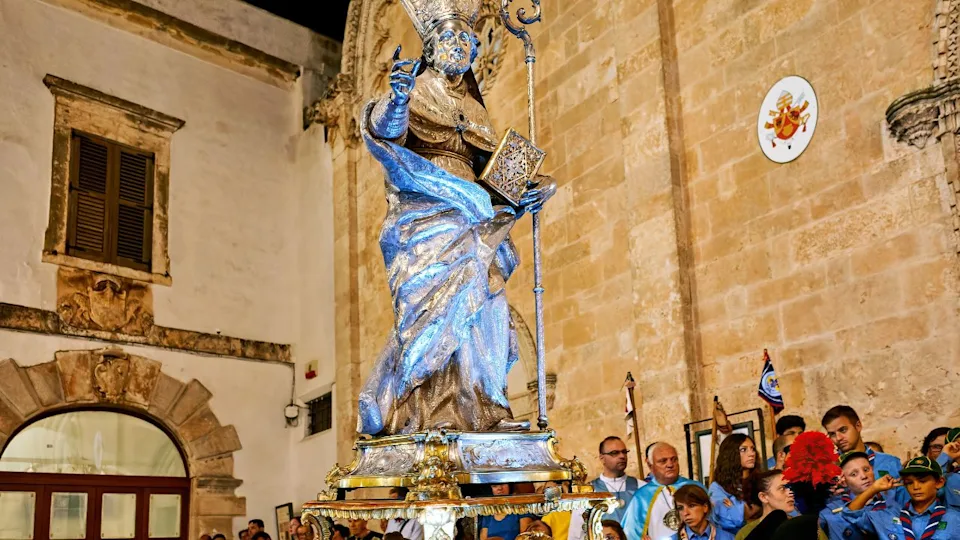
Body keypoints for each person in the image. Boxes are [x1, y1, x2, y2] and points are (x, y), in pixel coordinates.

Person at [355, 0, 555, 437]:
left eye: (467, 39)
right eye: (451, 37)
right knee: (431, 314)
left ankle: (483, 408)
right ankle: (424, 414)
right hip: (426, 221)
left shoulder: (476, 109)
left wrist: (533, 188)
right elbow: (384, 130)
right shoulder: (415, 90)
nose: (462, 45)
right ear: (431, 45)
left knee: (486, 308)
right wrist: (398, 100)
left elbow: (493, 177)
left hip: (478, 221)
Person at [843, 456, 960, 539]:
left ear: (939, 482)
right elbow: (851, 512)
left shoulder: (954, 519)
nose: (916, 487)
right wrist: (873, 489)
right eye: (909, 482)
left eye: (922, 481)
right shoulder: (888, 516)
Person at [621, 442, 703, 539]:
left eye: (674, 459)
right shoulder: (642, 496)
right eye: (663, 461)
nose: (670, 464)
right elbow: (631, 534)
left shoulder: (695, 488)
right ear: (650, 465)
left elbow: (713, 524)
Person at [818, 451, 907, 540]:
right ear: (844, 482)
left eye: (866, 469)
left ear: (872, 470)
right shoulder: (830, 513)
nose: (864, 476)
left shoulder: (892, 506)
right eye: (854, 474)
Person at [821, 405, 901, 479]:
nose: (838, 438)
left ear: (858, 426)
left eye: (843, 430)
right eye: (832, 434)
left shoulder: (890, 463)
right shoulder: (828, 471)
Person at [709, 434, 761, 536]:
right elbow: (732, 520)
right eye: (743, 449)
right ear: (730, 454)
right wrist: (756, 506)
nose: (751, 454)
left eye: (753, 449)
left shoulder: (761, 480)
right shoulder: (717, 487)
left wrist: (733, 504)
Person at [589, 436, 644, 523]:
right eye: (615, 453)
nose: (622, 456)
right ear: (602, 458)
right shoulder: (590, 491)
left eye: (624, 452)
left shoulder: (642, 487)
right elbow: (577, 532)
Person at [733, 470, 795, 540]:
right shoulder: (746, 533)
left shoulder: (800, 526)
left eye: (790, 488)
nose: (790, 493)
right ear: (763, 497)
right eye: (782, 489)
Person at [668, 484, 733, 540]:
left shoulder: (728, 538)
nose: (685, 513)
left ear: (705, 507)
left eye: (691, 506)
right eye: (680, 508)